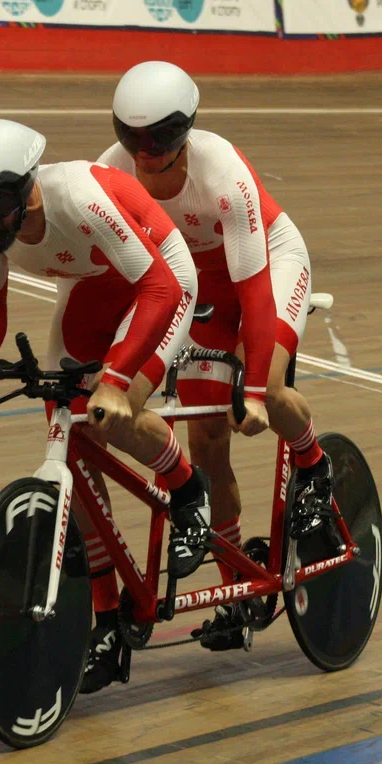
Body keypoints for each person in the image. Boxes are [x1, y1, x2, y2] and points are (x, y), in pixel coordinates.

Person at [0, 118, 209, 693]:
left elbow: (160, 288)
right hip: (93, 285)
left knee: (115, 410)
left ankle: (188, 488)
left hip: (162, 279)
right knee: (69, 424)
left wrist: (115, 380)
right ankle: (108, 617)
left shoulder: (81, 198)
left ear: (24, 190)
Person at [98, 61, 332, 651]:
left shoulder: (221, 169)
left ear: (187, 131)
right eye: (135, 138)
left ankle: (314, 464)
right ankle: (234, 593)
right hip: (201, 290)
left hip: (266, 267)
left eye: (161, 139)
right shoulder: (110, 172)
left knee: (269, 387)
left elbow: (253, 289)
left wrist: (252, 387)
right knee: (206, 441)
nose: (147, 153)